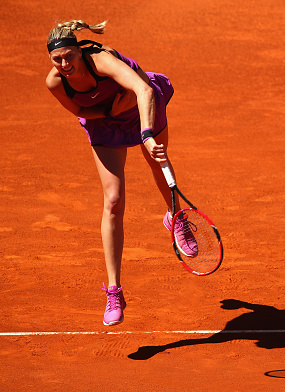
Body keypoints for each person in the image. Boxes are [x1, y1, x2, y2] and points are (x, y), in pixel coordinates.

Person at [45, 19, 192, 326]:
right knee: (113, 200)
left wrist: (148, 134)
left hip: (143, 110)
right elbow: (81, 111)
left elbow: (142, 89)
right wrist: (109, 112)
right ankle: (114, 291)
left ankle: (176, 217)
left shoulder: (101, 60)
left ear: (79, 51)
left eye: (69, 56)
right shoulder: (56, 82)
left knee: (157, 161)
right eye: (57, 59)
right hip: (106, 122)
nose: (64, 64)